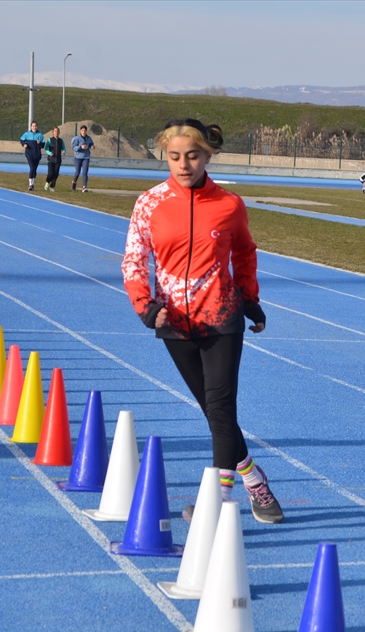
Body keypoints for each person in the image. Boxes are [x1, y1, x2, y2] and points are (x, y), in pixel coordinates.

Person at [120, 118, 283, 524]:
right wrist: (145, 306)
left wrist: (250, 301)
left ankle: (216, 502)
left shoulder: (229, 205)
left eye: (192, 156)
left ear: (207, 156)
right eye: (174, 156)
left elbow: (245, 253)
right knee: (214, 412)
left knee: (222, 408)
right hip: (172, 323)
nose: (183, 164)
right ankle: (254, 479)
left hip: (222, 318)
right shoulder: (149, 204)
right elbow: (135, 259)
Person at [19, 121, 45, 192]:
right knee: (32, 168)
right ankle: (30, 184)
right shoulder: (27, 134)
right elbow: (21, 140)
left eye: (35, 126)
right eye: (33, 126)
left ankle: (32, 184)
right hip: (29, 154)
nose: (34, 127)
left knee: (35, 169)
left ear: (37, 127)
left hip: (37, 154)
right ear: (31, 127)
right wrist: (24, 144)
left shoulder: (40, 135)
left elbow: (43, 145)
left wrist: (39, 143)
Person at [71, 125, 94, 192]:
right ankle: (74, 181)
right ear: (80, 131)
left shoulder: (89, 138)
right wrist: (80, 147)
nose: (83, 132)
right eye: (82, 130)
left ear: (86, 131)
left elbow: (91, 144)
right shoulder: (76, 138)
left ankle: (84, 187)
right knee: (77, 172)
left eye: (85, 130)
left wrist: (92, 146)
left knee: (85, 172)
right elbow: (73, 147)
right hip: (78, 157)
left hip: (86, 157)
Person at [44, 126, 66, 191]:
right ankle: (47, 183)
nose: (56, 132)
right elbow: (46, 148)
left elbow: (64, 148)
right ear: (53, 132)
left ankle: (52, 186)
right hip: (51, 159)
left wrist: (63, 152)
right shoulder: (49, 140)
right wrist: (49, 153)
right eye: (55, 131)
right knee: (51, 173)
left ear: (59, 132)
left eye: (57, 131)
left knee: (56, 174)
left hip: (58, 160)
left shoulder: (61, 141)